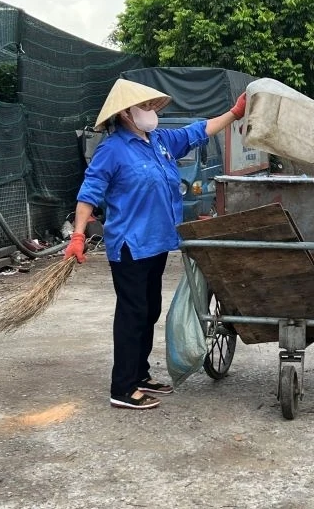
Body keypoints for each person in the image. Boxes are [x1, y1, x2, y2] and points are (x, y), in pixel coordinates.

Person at [64, 79, 247, 410]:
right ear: (126, 114)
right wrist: (78, 234)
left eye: (151, 106)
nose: (151, 112)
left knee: (149, 310)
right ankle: (122, 388)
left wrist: (234, 113)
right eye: (144, 107)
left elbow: (199, 130)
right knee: (132, 314)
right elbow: (88, 194)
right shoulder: (112, 150)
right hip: (130, 246)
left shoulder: (160, 141)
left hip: (157, 243)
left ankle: (140, 374)